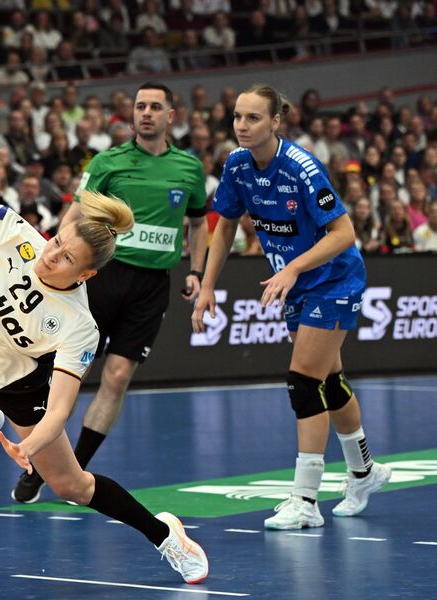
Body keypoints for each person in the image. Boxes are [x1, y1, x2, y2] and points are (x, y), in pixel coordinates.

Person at [0, 60, 208, 585]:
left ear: (87, 274)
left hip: (19, 377)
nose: (50, 256)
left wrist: (29, 447)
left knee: (71, 486)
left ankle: (165, 535)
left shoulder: (79, 325)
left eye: (66, 258)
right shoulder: (13, 232)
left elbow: (60, 409)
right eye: (56, 243)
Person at [192, 84, 391, 530]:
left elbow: (344, 234)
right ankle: (364, 472)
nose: (242, 125)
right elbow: (225, 226)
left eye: (253, 118)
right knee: (329, 380)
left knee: (303, 382)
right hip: (298, 283)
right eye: (238, 117)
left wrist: (293, 269)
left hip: (333, 278)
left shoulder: (302, 167)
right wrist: (207, 285)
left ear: (276, 121)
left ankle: (305, 500)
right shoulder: (237, 164)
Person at [13, 82, 208, 505]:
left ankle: (75, 471)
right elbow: (75, 214)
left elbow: (198, 223)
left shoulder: (189, 168)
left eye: (155, 106)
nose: (146, 113)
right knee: (67, 373)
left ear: (171, 116)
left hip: (152, 285)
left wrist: (197, 270)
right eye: (140, 106)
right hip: (104, 277)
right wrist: (56, 259)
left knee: (117, 377)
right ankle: (40, 463)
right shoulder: (108, 162)